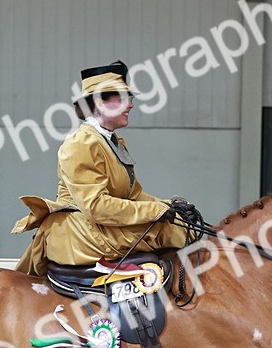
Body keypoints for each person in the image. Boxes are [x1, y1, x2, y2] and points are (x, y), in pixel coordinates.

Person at [13, 60, 195, 277]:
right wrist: (156, 211)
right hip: (80, 233)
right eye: (123, 98)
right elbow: (96, 206)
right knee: (174, 232)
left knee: (184, 226)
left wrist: (169, 206)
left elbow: (133, 195)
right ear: (99, 103)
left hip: (101, 227)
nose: (131, 105)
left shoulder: (114, 142)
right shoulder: (81, 143)